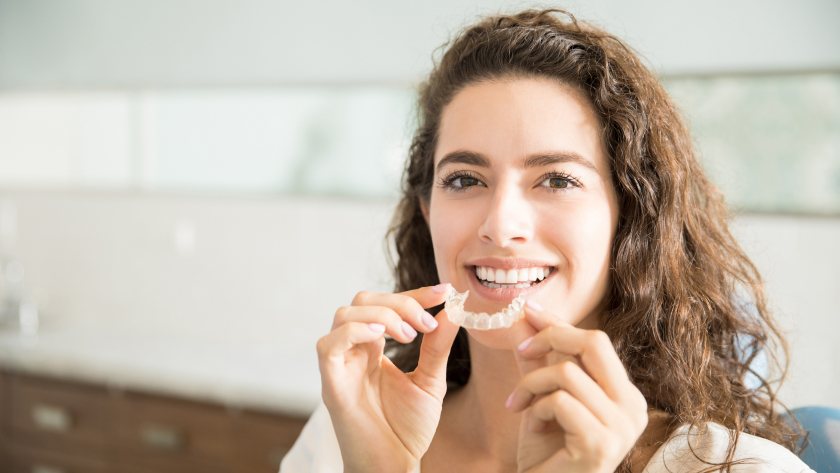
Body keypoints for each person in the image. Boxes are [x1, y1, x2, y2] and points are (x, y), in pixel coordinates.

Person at [281, 9, 814, 473]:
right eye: (465, 179)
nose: (500, 224)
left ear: (630, 219)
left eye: (557, 180)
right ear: (427, 211)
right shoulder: (345, 436)